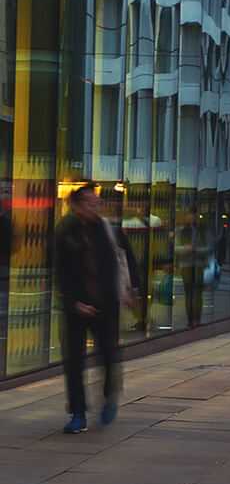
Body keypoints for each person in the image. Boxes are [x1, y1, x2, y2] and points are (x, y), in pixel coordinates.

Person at [53, 185, 137, 434]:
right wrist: (73, 302)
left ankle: (109, 395)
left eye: (96, 202)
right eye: (89, 203)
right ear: (76, 205)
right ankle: (78, 412)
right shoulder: (65, 231)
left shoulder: (108, 229)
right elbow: (61, 271)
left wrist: (132, 290)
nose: (95, 207)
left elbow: (127, 258)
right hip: (76, 307)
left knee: (110, 355)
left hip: (106, 305)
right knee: (74, 362)